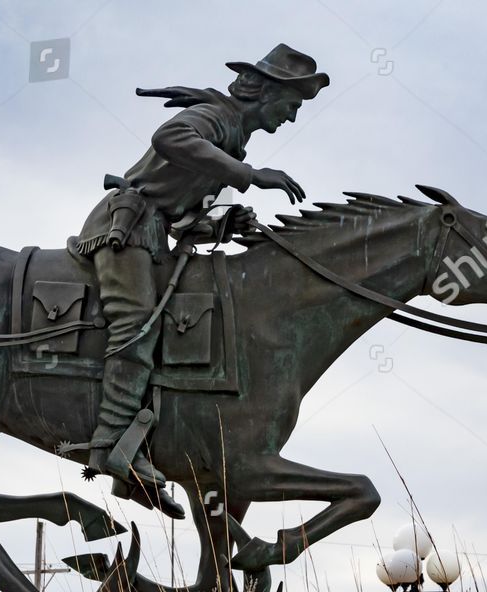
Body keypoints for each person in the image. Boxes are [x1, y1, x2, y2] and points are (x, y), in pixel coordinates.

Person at [74, 44, 328, 491]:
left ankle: (144, 440)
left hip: (152, 235)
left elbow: (184, 219)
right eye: (291, 106)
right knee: (136, 325)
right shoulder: (215, 117)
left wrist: (227, 222)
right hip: (126, 229)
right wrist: (249, 177)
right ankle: (111, 444)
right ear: (266, 94)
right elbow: (170, 138)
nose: (290, 118)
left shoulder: (232, 136)